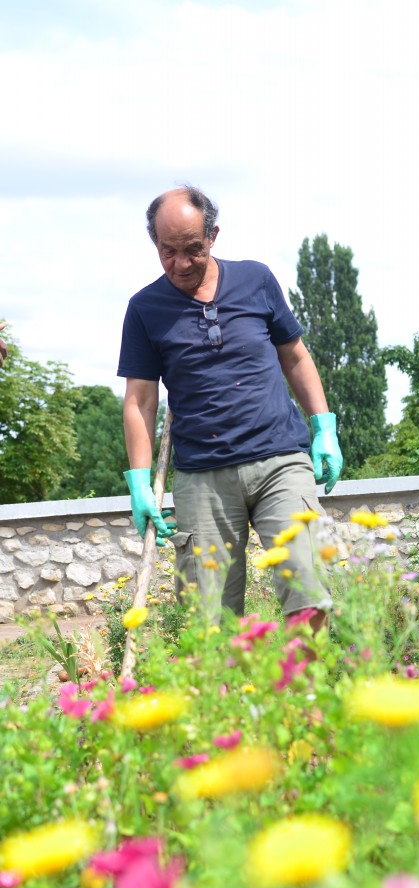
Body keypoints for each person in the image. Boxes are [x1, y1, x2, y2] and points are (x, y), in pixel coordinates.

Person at [118, 185, 343, 630]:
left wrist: (324, 428)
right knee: (210, 619)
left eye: (193, 249)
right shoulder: (145, 309)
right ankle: (228, 699)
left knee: (308, 592)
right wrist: (139, 481)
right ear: (154, 244)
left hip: (281, 459)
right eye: (168, 252)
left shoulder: (256, 280)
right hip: (202, 477)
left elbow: (295, 356)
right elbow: (141, 400)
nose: (181, 263)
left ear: (213, 235)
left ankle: (308, 693)